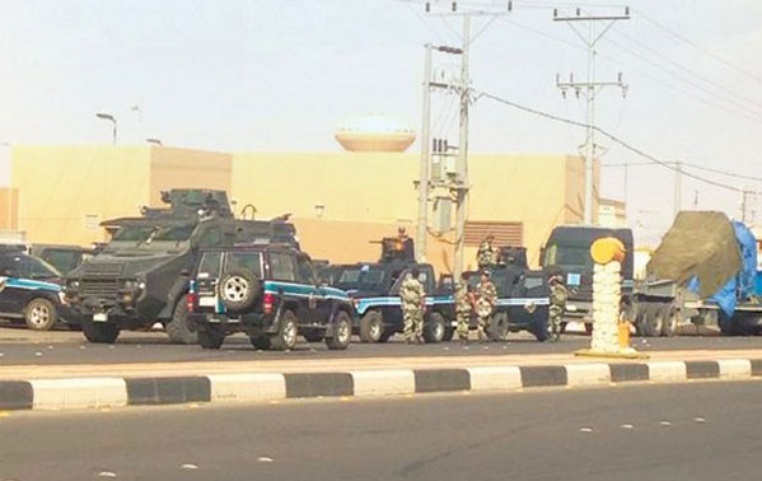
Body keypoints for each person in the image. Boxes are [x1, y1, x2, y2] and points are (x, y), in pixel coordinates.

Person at [399, 267, 426, 344]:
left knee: (408, 321)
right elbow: (422, 296)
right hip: (416, 306)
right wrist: (423, 305)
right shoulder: (419, 285)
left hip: (406, 305)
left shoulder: (405, 283)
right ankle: (418, 336)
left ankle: (407, 337)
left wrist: (403, 302)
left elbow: (401, 294)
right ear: (418, 275)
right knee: (419, 321)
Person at [475, 270, 497, 342]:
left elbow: (494, 297)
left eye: (485, 276)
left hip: (488, 307)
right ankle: (480, 338)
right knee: (480, 323)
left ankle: (490, 336)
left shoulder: (491, 286)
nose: (483, 277)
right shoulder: (478, 285)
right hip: (480, 307)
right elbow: (475, 295)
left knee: (488, 324)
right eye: (482, 276)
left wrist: (492, 302)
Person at [454, 274, 476, 345]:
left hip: (458, 307)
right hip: (465, 307)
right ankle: (465, 338)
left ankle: (460, 337)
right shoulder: (467, 286)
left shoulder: (457, 287)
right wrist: (474, 306)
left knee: (459, 322)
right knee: (465, 322)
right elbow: (471, 296)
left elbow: (455, 297)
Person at [548, 273, 568, 342]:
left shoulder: (554, 288)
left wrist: (551, 279)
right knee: (558, 322)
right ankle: (558, 337)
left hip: (553, 306)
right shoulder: (564, 289)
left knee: (551, 322)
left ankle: (551, 337)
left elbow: (547, 286)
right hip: (561, 307)